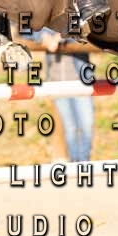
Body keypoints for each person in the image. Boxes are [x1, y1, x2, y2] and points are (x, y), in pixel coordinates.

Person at [22, 27, 95, 162]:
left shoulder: (75, 18)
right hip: (57, 84)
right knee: (69, 127)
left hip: (81, 83)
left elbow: (86, 29)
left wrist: (61, 36)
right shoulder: (45, 23)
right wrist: (43, 36)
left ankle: (84, 161)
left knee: (87, 125)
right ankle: (75, 162)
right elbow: (25, 30)